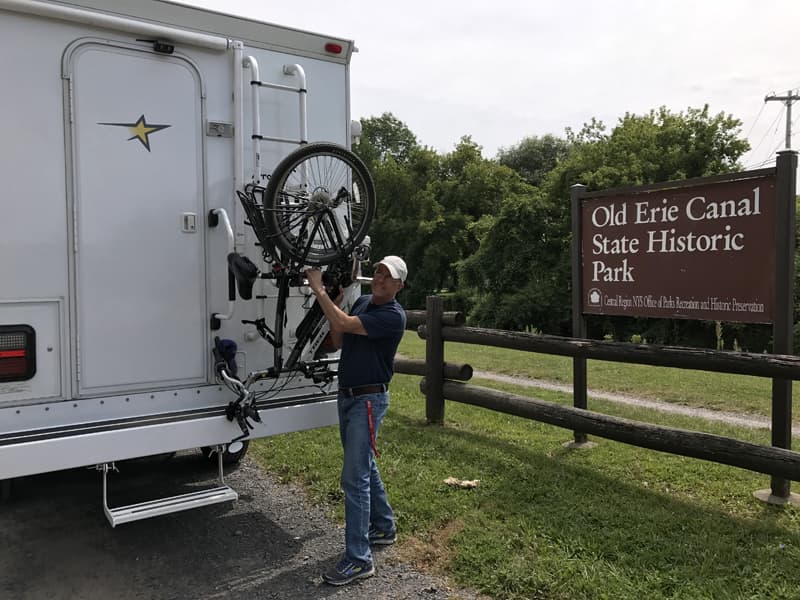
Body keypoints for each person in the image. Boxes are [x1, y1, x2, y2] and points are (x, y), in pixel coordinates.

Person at [305, 255, 408, 586]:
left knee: (354, 479)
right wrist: (335, 296)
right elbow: (338, 338)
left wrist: (318, 289)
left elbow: (347, 325)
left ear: (398, 286)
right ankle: (384, 527)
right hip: (348, 396)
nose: (378, 278)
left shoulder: (393, 316)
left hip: (368, 399)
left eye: (386, 275)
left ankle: (359, 559)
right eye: (377, 271)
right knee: (364, 467)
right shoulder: (363, 301)